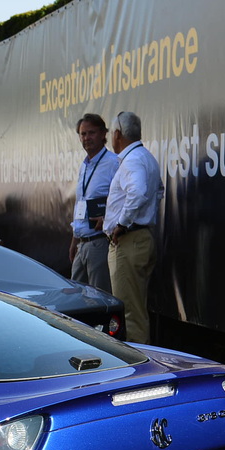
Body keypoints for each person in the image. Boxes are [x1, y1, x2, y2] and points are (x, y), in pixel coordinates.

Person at [103, 110, 164, 342]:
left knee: (129, 313)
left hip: (128, 241)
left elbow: (138, 192)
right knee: (135, 309)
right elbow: (158, 190)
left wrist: (121, 223)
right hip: (139, 238)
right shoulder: (145, 157)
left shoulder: (133, 160)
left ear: (118, 134)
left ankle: (140, 371)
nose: (111, 138)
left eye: (111, 134)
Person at [69, 113, 119, 293]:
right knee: (76, 298)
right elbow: (80, 205)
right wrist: (75, 240)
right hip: (82, 243)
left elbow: (124, 199)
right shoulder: (85, 165)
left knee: (99, 297)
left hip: (99, 242)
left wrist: (108, 218)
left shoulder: (113, 163)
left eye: (91, 133)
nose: (86, 138)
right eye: (82, 134)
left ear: (103, 134)